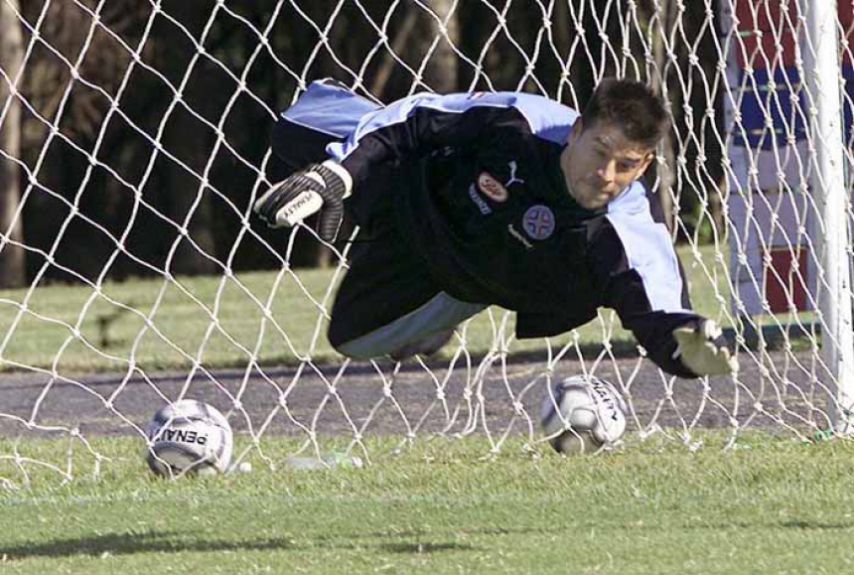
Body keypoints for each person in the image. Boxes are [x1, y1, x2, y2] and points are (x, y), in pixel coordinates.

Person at [254, 78, 738, 378]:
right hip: (413, 185)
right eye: (599, 152)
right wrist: (337, 175)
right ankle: (354, 182)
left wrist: (687, 357)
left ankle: (433, 325)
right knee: (293, 128)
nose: (606, 175)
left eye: (626, 165)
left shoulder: (629, 230)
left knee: (351, 338)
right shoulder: (521, 121)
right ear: (576, 131)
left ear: (646, 164)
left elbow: (662, 319)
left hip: (461, 276)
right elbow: (419, 117)